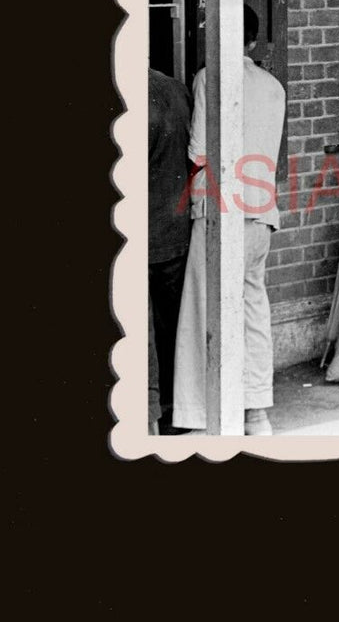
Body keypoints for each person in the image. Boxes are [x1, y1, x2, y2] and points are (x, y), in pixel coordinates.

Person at [172, 6, 286, 435]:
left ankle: (201, 413)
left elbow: (198, 152)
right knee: (253, 308)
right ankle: (257, 413)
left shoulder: (208, 78)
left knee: (205, 307)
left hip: (221, 210)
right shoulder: (274, 86)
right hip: (261, 211)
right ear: (252, 43)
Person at [148, 67, 192, 434]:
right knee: (171, 325)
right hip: (175, 230)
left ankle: (147, 410)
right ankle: (173, 407)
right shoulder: (177, 91)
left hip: (141, 232)